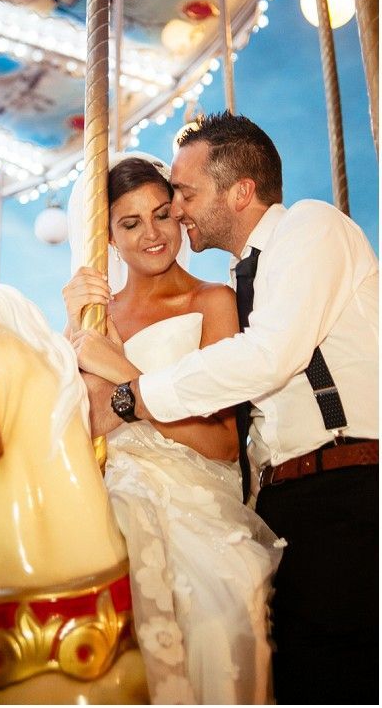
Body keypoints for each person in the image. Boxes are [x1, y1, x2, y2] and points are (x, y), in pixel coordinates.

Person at [71, 115, 378, 706]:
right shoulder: (245, 282)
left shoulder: (310, 229)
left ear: (239, 191)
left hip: (345, 478)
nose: (177, 212)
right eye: (134, 220)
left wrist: (131, 393)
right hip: (282, 498)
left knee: (334, 672)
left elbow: (267, 357)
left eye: (183, 196)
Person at [64, 153, 284, 705]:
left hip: (194, 493)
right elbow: (83, 425)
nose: (153, 234)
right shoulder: (98, 318)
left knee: (219, 601)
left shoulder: (211, 301)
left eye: (162, 215)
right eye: (130, 224)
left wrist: (121, 373)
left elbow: (221, 443)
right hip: (112, 482)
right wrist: (73, 331)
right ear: (108, 239)